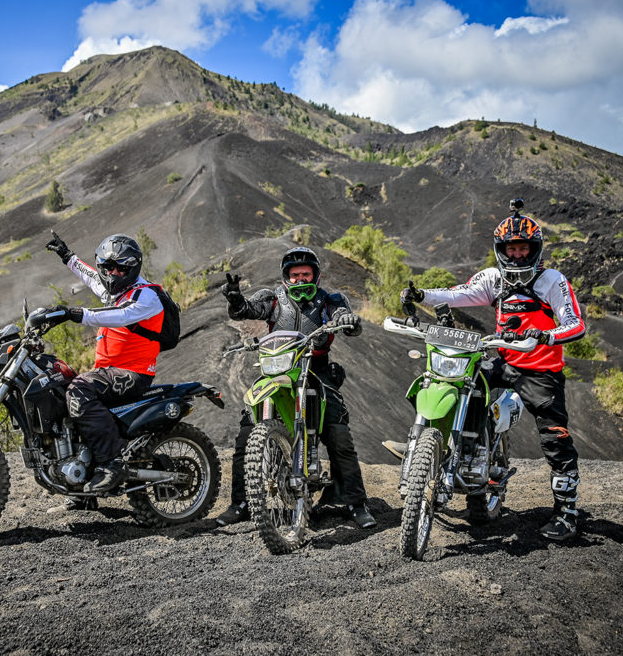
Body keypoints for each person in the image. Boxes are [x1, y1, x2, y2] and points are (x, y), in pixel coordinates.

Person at [400, 200, 586, 541]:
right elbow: (460, 294)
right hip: (502, 360)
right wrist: (422, 295)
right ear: (501, 250)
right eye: (510, 248)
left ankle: (567, 513)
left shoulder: (552, 281)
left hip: (541, 369)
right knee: (459, 383)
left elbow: (575, 324)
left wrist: (546, 334)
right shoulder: (494, 279)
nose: (517, 255)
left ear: (535, 250)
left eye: (523, 248)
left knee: (555, 440)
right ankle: (450, 450)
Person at [215, 246, 376, 529]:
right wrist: (235, 300)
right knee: (245, 431)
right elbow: (248, 310)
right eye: (295, 275)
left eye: (306, 274)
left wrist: (346, 320)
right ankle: (240, 503)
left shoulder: (330, 299)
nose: (300, 279)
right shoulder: (272, 298)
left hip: (316, 368)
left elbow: (345, 319)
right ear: (286, 277)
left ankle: (355, 502)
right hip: (279, 367)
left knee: (337, 430)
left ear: (315, 275)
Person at [44, 232, 165, 493]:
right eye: (108, 267)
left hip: (133, 374)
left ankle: (112, 463)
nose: (113, 273)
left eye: (120, 268)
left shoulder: (146, 296)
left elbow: (120, 316)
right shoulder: (117, 290)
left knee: (79, 389)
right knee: (60, 385)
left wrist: (73, 313)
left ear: (133, 267)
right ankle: (78, 476)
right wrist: (67, 256)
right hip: (108, 372)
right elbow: (91, 277)